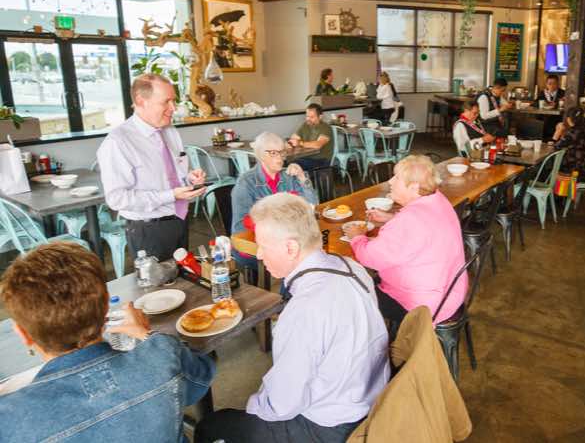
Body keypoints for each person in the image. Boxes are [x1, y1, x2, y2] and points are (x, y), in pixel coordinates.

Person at [195, 193, 389, 443]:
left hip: (332, 426)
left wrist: (255, 408)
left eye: (263, 246)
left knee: (212, 426)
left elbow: (282, 405)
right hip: (373, 396)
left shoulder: (304, 309)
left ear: (291, 248)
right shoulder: (352, 267)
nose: (259, 255)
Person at [0, 242, 215, 442]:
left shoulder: (10, 417)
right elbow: (201, 379)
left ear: (23, 334)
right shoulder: (163, 354)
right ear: (105, 307)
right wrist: (146, 334)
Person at [343, 155, 467, 328]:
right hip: (450, 292)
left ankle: (370, 341)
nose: (390, 181)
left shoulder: (409, 221)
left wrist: (357, 236)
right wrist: (392, 217)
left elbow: (370, 258)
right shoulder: (438, 200)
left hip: (422, 306)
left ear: (414, 187)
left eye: (397, 178)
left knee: (350, 292)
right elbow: (424, 226)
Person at [97, 73, 206, 261]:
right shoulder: (118, 142)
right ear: (141, 101)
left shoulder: (170, 130)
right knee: (159, 280)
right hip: (148, 229)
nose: (173, 108)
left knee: (183, 276)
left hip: (179, 220)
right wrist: (171, 195)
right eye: (166, 102)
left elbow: (171, 174)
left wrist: (189, 178)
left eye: (174, 101)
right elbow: (117, 199)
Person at [231, 132, 319, 277]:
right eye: (273, 153)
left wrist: (302, 177)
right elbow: (240, 228)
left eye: (282, 152)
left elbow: (312, 205)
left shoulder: (289, 177)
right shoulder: (246, 183)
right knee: (302, 259)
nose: (280, 158)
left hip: (288, 239)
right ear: (260, 155)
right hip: (255, 245)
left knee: (311, 253)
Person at [553, 106, 585, 181]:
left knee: (551, 165)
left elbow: (556, 146)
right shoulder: (584, 129)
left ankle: (555, 185)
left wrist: (558, 131)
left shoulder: (572, 133)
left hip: (576, 170)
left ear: (568, 119)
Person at [289, 103, 333, 172]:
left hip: (321, 160)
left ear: (320, 117)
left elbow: (317, 145)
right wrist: (290, 143)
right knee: (286, 162)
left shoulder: (326, 128)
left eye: (312, 117)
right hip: (306, 157)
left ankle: (301, 178)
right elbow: (294, 138)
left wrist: (300, 143)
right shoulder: (305, 125)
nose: (308, 119)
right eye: (307, 116)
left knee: (294, 164)